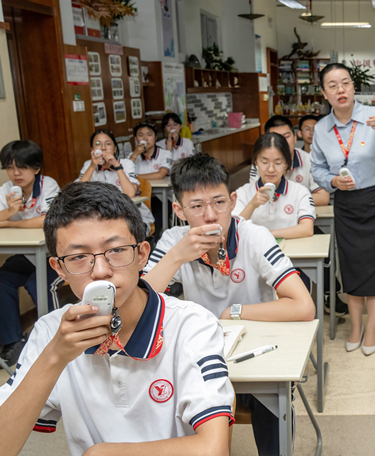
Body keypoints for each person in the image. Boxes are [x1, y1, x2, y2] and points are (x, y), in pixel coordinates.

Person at [0, 181, 234, 456]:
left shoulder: (190, 324)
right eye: (78, 256)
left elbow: (213, 449)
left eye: (116, 251)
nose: (100, 271)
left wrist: (100, 453)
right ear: (59, 269)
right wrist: (54, 356)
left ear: (141, 255)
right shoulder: (51, 332)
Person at [142, 153, 314, 456]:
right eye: (197, 206)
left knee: (271, 406)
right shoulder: (173, 241)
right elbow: (137, 306)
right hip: (197, 358)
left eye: (219, 202)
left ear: (233, 201)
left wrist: (234, 312)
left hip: (253, 354)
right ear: (179, 210)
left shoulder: (254, 236)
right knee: (160, 400)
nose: (210, 216)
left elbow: (303, 306)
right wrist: (177, 257)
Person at [310, 63, 375, 356]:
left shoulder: (374, 116)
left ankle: (372, 328)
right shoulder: (321, 129)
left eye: (345, 83)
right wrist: (332, 181)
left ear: (354, 87)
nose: (340, 89)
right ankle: (355, 327)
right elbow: (317, 168)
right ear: (324, 93)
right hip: (347, 204)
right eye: (332, 85)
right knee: (352, 265)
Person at [0, 140, 61, 365]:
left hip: (53, 254)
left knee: (37, 284)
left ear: (36, 168)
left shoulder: (48, 185)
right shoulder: (6, 190)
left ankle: (56, 337)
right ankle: (13, 342)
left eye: (22, 167)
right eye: (9, 167)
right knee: (2, 280)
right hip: (28, 254)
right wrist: (10, 211)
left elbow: (47, 220)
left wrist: (9, 222)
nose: (15, 173)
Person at [234, 133, 315, 239]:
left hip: (292, 249)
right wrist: (252, 205)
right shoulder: (242, 193)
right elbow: (233, 230)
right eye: (264, 162)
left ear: (286, 163)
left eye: (278, 163)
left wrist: (266, 235)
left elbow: (307, 229)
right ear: (256, 162)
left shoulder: (300, 192)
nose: (271, 169)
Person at [78, 129, 155, 236]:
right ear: (92, 150)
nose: (103, 148)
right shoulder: (88, 165)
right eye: (98, 144)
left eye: (108, 144)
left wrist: (117, 166)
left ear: (115, 149)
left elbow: (130, 193)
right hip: (100, 219)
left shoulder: (126, 164)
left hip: (132, 216)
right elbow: (78, 191)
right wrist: (92, 167)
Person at [250, 115, 330, 206]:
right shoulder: (260, 163)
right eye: (276, 138)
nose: (282, 142)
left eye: (286, 136)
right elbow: (254, 196)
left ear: (295, 138)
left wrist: (287, 202)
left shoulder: (310, 160)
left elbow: (323, 198)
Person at [130, 122, 171, 236]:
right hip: (140, 198)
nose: (145, 139)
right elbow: (124, 174)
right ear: (136, 138)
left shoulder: (165, 154)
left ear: (155, 137)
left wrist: (136, 177)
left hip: (162, 198)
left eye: (149, 135)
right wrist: (135, 154)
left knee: (156, 220)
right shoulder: (132, 156)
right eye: (140, 135)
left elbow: (160, 175)